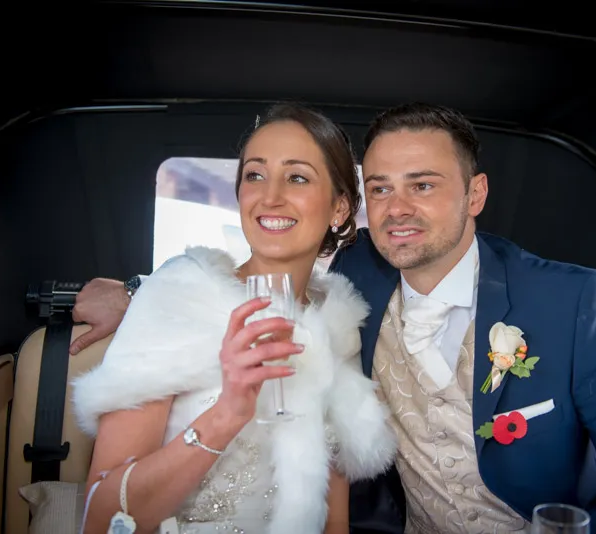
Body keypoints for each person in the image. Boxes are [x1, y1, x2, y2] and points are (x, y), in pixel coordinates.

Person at [70, 102, 596, 534]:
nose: (397, 209)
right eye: (381, 188)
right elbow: (228, 289)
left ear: (475, 194)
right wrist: (133, 293)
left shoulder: (575, 304)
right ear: (359, 208)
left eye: (424, 185)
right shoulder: (357, 286)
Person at [71, 103, 397, 534]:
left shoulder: (338, 325)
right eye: (255, 175)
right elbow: (99, 517)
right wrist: (227, 413)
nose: (270, 196)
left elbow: (333, 517)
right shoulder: (177, 296)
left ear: (339, 208)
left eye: (297, 177)